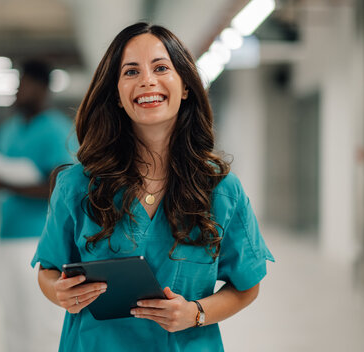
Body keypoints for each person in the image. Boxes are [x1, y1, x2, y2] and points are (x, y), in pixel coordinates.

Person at [31, 22, 275, 351]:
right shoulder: (77, 185)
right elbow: (48, 271)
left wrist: (196, 313)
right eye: (131, 71)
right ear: (117, 95)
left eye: (161, 67)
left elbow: (247, 285)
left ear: (185, 86)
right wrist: (60, 293)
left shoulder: (221, 190)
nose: (147, 80)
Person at [0, 60, 76, 352]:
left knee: (43, 321)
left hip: (39, 239)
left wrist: (4, 183)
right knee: (12, 318)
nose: (19, 91)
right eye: (18, 84)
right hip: (6, 236)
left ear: (43, 88)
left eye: (26, 84)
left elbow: (60, 187)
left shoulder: (58, 130)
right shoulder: (8, 129)